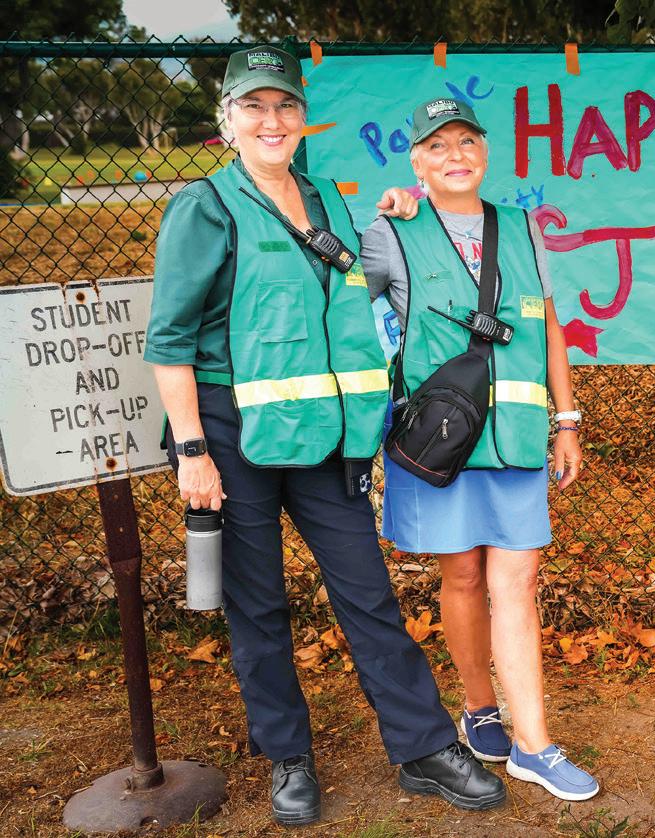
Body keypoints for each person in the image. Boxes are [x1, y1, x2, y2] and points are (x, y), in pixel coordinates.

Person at [144, 47, 506, 826]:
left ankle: (424, 748)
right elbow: (169, 342)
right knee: (259, 605)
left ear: (302, 118)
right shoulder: (206, 208)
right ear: (228, 121)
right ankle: (289, 757)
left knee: (367, 593)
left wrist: (400, 211)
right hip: (232, 435)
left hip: (325, 433)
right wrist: (193, 451)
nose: (271, 121)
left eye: (284, 105)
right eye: (253, 106)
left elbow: (360, 288)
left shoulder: (328, 202)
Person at [360, 97, 598, 801]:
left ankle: (535, 745)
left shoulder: (521, 227)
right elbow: (342, 304)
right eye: (437, 146)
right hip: (439, 444)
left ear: (486, 152)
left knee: (517, 582)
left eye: (466, 141)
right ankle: (478, 705)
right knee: (462, 578)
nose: (455, 155)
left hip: (516, 439)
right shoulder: (390, 232)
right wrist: (380, 211)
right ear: (417, 161)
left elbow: (550, 327)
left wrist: (567, 419)